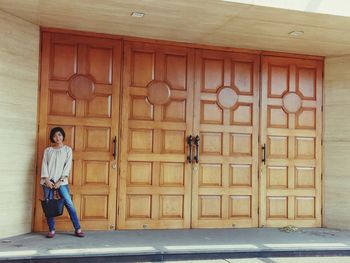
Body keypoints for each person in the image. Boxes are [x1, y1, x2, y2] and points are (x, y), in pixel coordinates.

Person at [41, 127, 85, 238]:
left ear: (63, 136)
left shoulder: (67, 150)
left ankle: (78, 228)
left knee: (69, 205)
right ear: (52, 137)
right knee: (49, 206)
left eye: (59, 135)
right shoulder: (48, 150)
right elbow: (44, 165)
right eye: (55, 135)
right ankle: (51, 230)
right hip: (48, 182)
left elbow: (67, 167)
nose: (58, 137)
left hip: (62, 182)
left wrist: (60, 181)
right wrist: (46, 180)